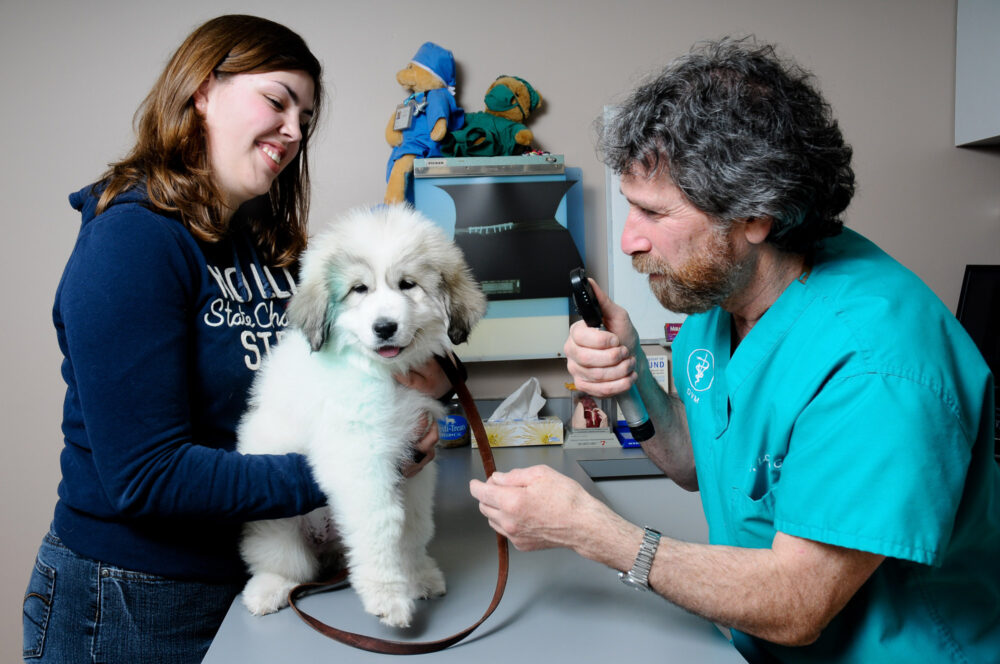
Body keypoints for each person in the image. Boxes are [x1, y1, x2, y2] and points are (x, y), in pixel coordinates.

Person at [470, 37, 1000, 663]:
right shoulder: (723, 295)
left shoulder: (876, 366)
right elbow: (699, 464)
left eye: (652, 212)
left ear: (754, 215)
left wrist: (593, 532)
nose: (628, 240)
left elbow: (797, 604)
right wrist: (630, 374)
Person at [22, 15, 449, 664]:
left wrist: (421, 381)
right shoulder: (131, 243)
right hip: (131, 599)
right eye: (277, 100)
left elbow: (325, 373)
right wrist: (362, 467)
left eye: (304, 117)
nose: (293, 130)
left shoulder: (260, 243)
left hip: (249, 571)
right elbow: (148, 478)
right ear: (201, 90)